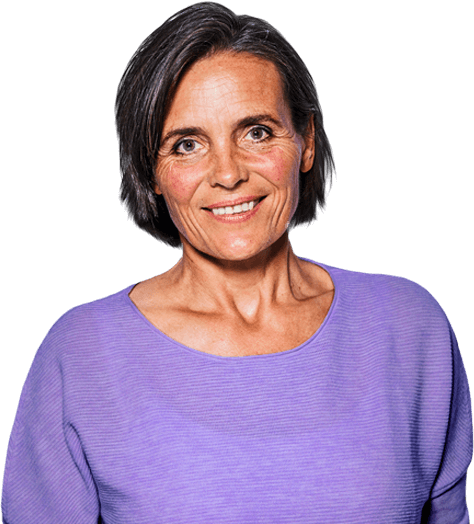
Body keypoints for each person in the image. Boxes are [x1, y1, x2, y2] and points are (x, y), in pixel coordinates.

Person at [1, 2, 472, 522]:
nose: (227, 174)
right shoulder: (83, 354)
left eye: (256, 132)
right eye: (186, 144)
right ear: (150, 174)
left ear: (307, 141)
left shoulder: (409, 327)